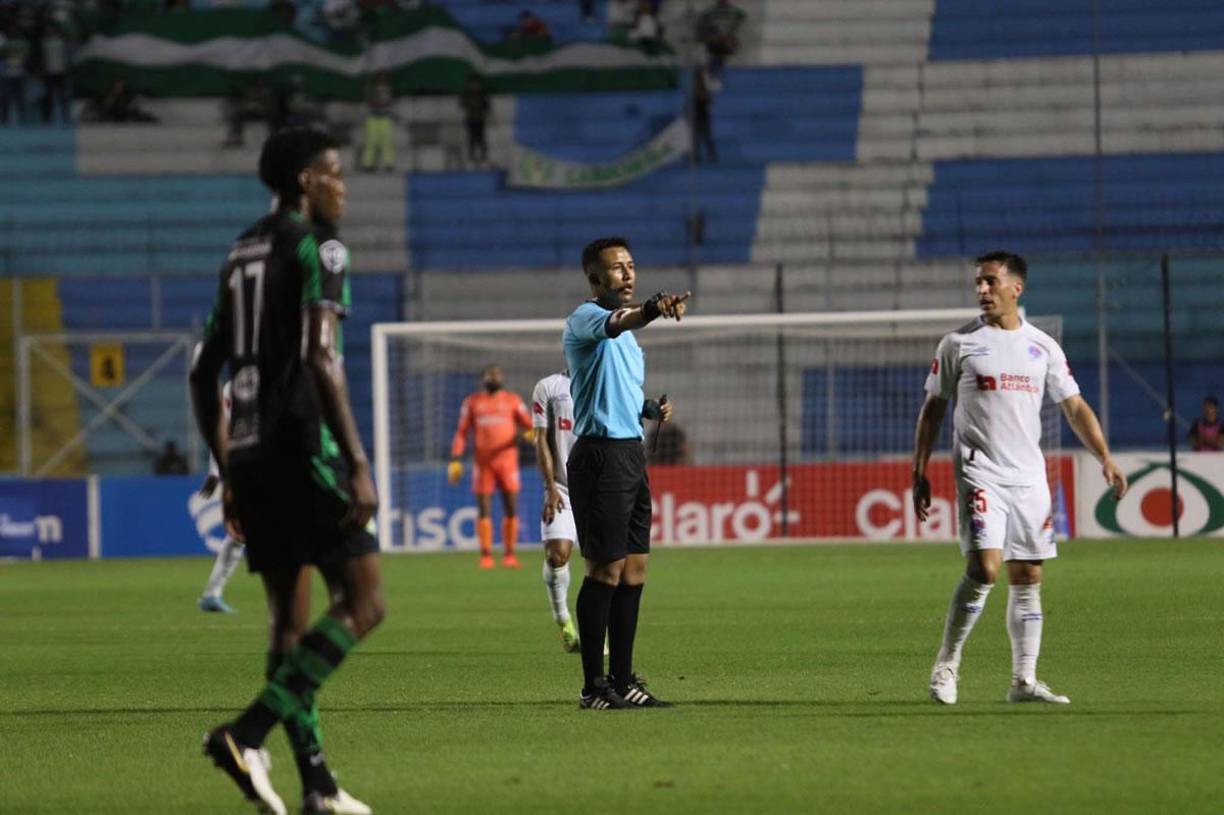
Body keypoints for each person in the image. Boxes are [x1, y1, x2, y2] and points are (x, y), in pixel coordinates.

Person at [191, 126, 381, 815]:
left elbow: (200, 370)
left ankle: (318, 784)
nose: (343, 187)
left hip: (248, 452)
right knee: (364, 602)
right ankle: (246, 733)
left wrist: (227, 469)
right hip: (304, 446)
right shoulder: (318, 245)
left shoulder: (239, 250)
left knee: (287, 626)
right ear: (306, 180)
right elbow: (319, 356)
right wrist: (357, 460)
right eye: (335, 173)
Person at [913, 250, 1127, 707]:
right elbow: (932, 410)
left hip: (1029, 476)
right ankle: (946, 665)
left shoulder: (1043, 347)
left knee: (1028, 575)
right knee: (985, 567)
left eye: (991, 282)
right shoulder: (959, 343)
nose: (982, 290)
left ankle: (1024, 682)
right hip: (980, 470)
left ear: (1016, 288)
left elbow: (1074, 407)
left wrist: (1105, 457)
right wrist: (919, 471)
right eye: (978, 282)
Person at [562, 236, 689, 709]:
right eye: (617, 269)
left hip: (631, 454)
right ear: (595, 278)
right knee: (604, 570)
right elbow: (619, 321)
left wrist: (649, 407)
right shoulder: (587, 319)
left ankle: (623, 679)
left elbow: (621, 390)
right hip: (598, 458)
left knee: (635, 568)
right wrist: (655, 307)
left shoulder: (631, 340)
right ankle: (593, 687)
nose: (628, 274)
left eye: (632, 266)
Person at [449, 364, 533, 569]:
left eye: (498, 374)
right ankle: (486, 555)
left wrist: (529, 435)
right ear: (483, 378)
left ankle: (509, 554)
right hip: (483, 462)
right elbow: (462, 431)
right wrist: (456, 458)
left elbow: (530, 426)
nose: (495, 378)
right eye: (491, 375)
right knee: (483, 508)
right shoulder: (472, 403)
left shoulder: (513, 401)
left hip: (508, 460)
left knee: (511, 506)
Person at [532, 369, 582, 652]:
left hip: (598, 487)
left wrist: (651, 409)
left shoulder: (605, 381)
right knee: (557, 554)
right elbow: (540, 439)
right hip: (561, 487)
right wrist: (550, 487)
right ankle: (562, 617)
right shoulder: (549, 387)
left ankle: (600, 633)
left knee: (606, 564)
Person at [198, 383, 246, 614]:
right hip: (248, 465)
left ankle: (212, 593)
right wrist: (216, 472)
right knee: (240, 532)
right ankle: (211, 594)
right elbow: (222, 429)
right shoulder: (237, 386)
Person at [695, 0, 745, 79]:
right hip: (714, 43)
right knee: (716, 46)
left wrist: (729, 36)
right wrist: (713, 35)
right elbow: (702, 28)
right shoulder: (709, 12)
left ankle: (715, 72)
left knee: (723, 46)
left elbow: (742, 23)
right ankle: (714, 73)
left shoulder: (736, 12)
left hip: (728, 42)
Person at [360, 71, 394, 173]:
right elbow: (370, 101)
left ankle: (388, 164)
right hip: (373, 118)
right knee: (371, 142)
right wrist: (368, 90)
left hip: (384, 118)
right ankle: (368, 164)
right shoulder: (372, 90)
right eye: (380, 78)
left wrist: (380, 102)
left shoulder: (388, 90)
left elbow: (387, 102)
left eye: (384, 78)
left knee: (387, 142)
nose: (382, 80)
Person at [459, 74, 490, 166]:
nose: (475, 85)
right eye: (473, 83)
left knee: (481, 138)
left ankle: (484, 156)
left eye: (476, 83)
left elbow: (486, 105)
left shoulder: (482, 93)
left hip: (480, 118)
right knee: (471, 138)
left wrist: (480, 106)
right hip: (471, 119)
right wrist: (471, 104)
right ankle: (471, 157)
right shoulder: (466, 93)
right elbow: (462, 104)